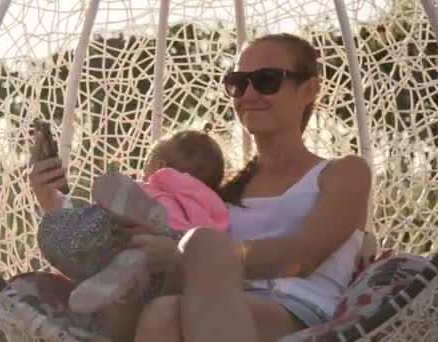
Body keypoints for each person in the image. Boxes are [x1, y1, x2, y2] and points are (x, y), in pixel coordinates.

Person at [130, 33, 372, 341]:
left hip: (301, 312)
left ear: (308, 90)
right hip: (210, 303)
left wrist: (194, 254)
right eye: (238, 82)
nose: (249, 94)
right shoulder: (220, 190)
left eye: (267, 80)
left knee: (201, 244)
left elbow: (303, 256)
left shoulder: (342, 172)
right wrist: (52, 196)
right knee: (160, 312)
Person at [31, 129, 229, 315]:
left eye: (145, 168)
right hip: (169, 270)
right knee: (143, 275)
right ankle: (130, 265)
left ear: (159, 166)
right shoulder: (215, 207)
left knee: (55, 228)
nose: (143, 175)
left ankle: (138, 235)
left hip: (123, 237)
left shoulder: (156, 184)